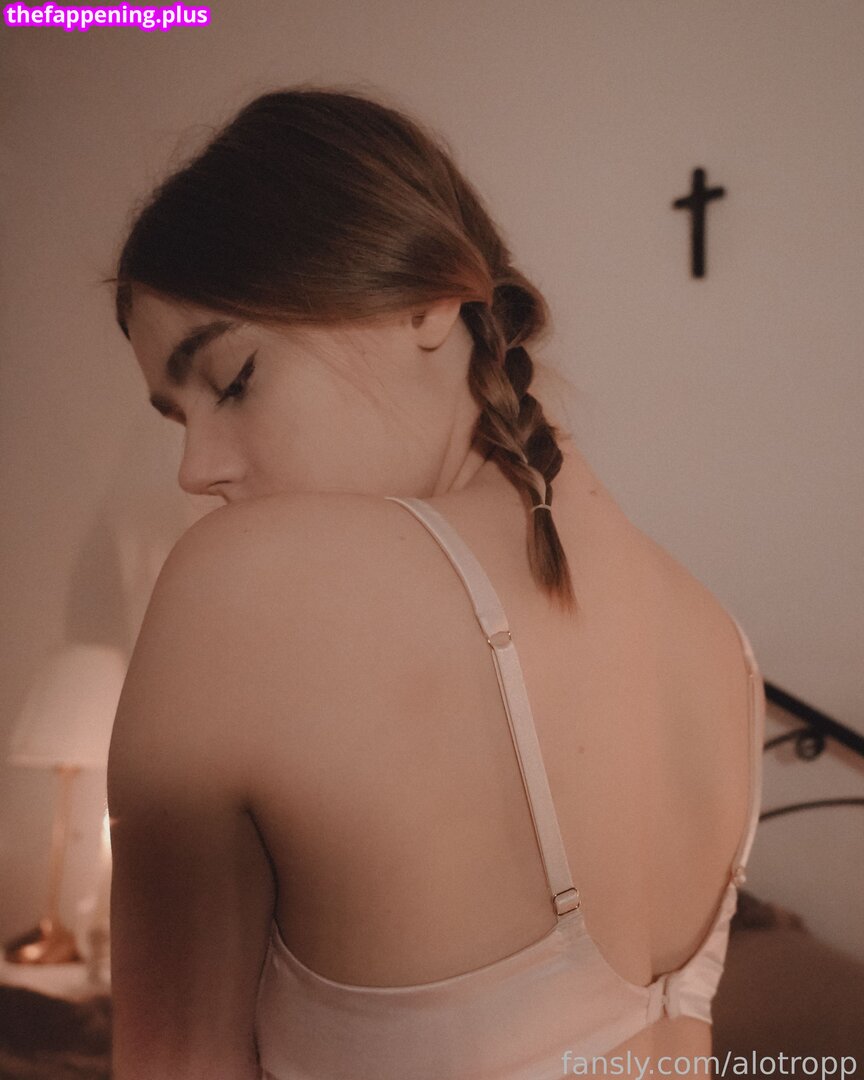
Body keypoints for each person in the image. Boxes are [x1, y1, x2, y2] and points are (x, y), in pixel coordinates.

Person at [105, 84, 766, 1080]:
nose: (195, 470)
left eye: (234, 380)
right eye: (176, 417)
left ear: (423, 301)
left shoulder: (239, 586)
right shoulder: (720, 643)